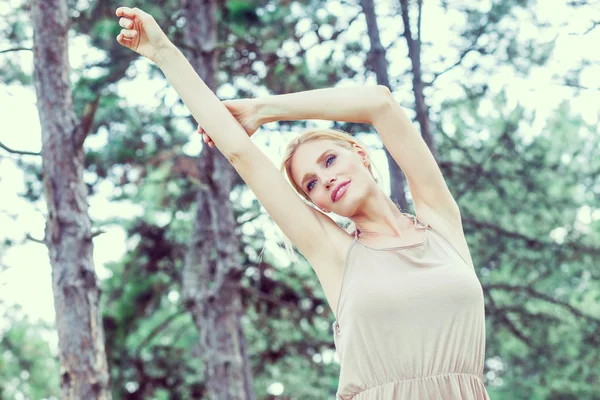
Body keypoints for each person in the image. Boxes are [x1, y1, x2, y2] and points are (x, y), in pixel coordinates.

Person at [115, 6, 490, 399]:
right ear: (320, 205)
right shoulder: (337, 255)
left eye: (330, 160)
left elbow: (380, 103)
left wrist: (265, 109)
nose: (326, 179)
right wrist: (162, 52)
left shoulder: (442, 225)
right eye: (311, 184)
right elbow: (240, 153)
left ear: (360, 155)